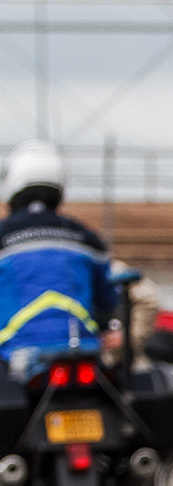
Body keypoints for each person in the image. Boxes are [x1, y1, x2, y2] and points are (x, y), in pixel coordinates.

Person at [0, 141, 116, 374]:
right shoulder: (87, 237)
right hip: (84, 354)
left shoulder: (3, 236)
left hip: (14, 357)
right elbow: (108, 305)